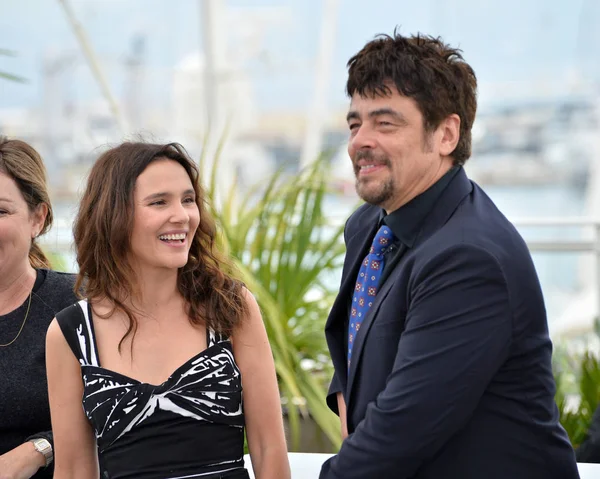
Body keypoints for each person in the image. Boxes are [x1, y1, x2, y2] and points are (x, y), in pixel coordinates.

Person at [320, 31, 580, 479]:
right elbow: (357, 342)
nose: (360, 141)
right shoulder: (368, 225)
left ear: (445, 133)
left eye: (385, 123)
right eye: (354, 123)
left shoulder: (469, 258)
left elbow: (399, 434)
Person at [45, 142, 290, 479]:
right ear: (114, 214)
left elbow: (269, 450)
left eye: (188, 200)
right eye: (159, 202)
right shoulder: (71, 332)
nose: (183, 215)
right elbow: (73, 470)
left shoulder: (230, 307)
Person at [0, 137, 78, 479]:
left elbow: (118, 412)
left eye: (0, 211)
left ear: (38, 218)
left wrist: (39, 450)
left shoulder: (77, 304)